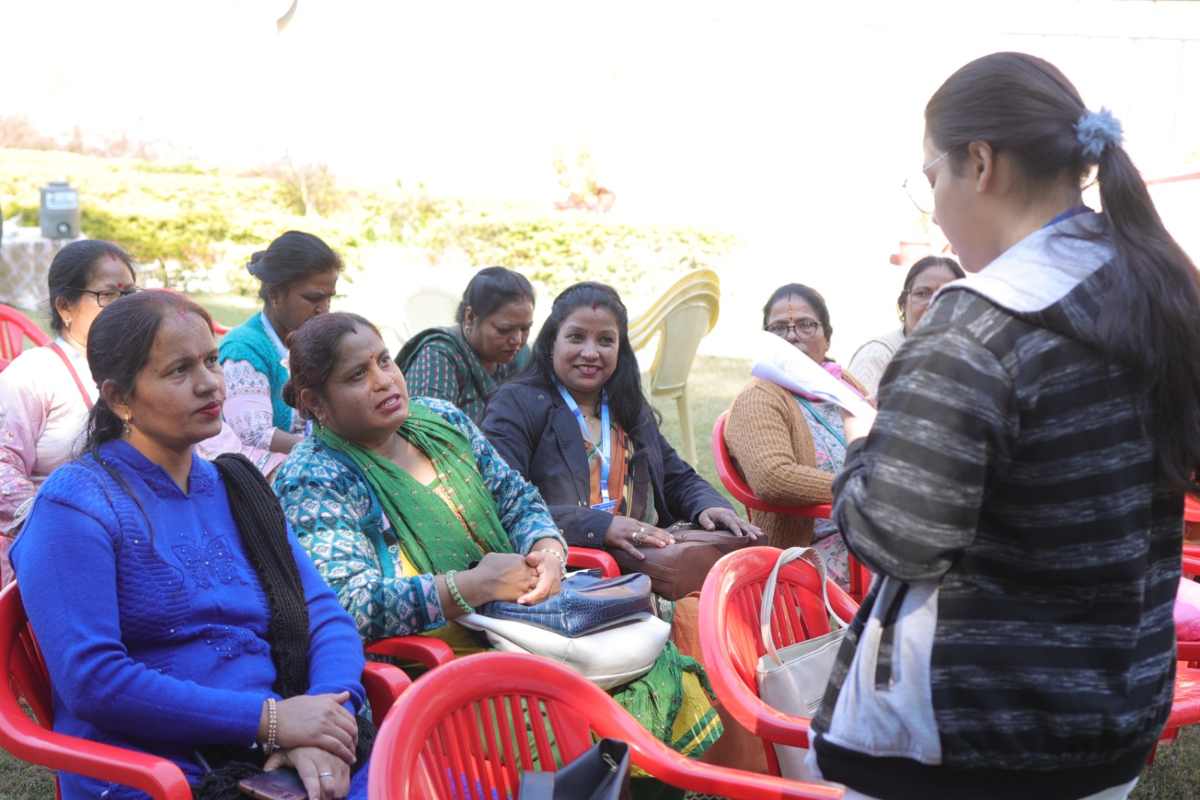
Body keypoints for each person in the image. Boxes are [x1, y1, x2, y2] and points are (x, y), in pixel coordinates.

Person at [808, 52, 1200, 800]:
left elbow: (899, 537)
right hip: (1108, 722)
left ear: (981, 164)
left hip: (971, 737)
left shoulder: (977, 327)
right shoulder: (1155, 292)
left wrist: (861, 450)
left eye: (931, 178)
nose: (934, 212)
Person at [273, 312, 725, 779]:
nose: (384, 380)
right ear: (315, 402)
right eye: (357, 375)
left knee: (665, 667)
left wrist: (548, 549)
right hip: (434, 663)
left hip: (528, 622)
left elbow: (518, 499)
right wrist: (474, 586)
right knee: (571, 723)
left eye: (384, 361)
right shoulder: (315, 477)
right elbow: (349, 604)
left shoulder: (442, 422)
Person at [11, 290, 373, 800]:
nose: (209, 383)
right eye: (179, 370)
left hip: (284, 749)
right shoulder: (76, 506)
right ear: (119, 398)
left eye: (211, 361)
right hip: (155, 772)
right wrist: (272, 721)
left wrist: (324, 718)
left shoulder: (235, 488)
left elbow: (324, 615)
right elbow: (93, 679)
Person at [0, 241, 277, 587]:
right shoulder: (33, 374)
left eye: (130, 292)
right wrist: (58, 522)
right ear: (65, 306)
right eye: (108, 295)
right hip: (68, 552)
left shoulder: (160, 366)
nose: (125, 304)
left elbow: (225, 450)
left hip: (173, 537)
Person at [483, 281, 758, 559]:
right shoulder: (516, 404)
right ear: (552, 343)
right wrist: (601, 527)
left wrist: (708, 505)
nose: (590, 352)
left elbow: (674, 476)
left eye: (605, 340)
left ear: (620, 349)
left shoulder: (626, 405)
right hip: (562, 565)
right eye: (576, 337)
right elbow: (503, 499)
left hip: (643, 561)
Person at [724, 284, 867, 589]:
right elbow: (773, 478)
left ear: (827, 337)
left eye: (805, 325)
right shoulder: (759, 397)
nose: (792, 336)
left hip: (872, 523)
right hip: (813, 549)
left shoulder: (841, 383)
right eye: (779, 328)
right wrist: (866, 488)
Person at [220, 231, 341, 455]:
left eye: (329, 298)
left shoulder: (319, 342)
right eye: (313, 298)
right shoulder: (244, 349)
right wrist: (331, 454)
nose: (324, 309)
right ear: (275, 294)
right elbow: (254, 435)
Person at [395, 266, 535, 423]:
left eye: (525, 329)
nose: (517, 340)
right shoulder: (438, 358)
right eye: (504, 330)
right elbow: (429, 428)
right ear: (470, 317)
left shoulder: (521, 356)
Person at [847, 255, 965, 396]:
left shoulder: (972, 358)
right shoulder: (878, 356)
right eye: (922, 293)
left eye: (946, 295)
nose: (933, 303)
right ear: (903, 303)